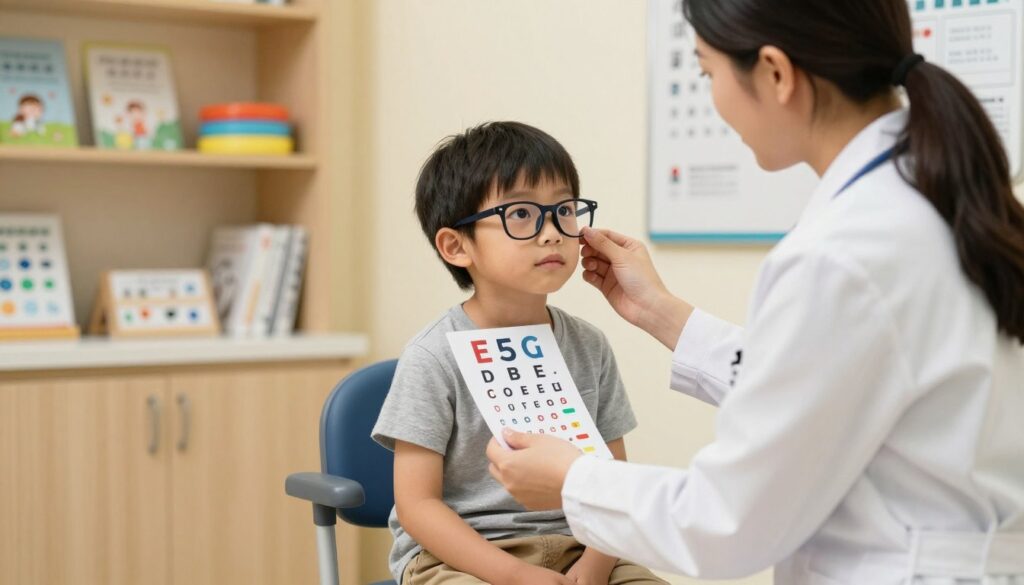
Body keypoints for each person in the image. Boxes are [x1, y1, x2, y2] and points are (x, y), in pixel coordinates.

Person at [486, 1, 1024, 584]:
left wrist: (573, 480)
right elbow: (829, 389)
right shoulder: (925, 199)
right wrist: (664, 315)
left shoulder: (842, 253)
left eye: (708, 73)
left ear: (775, 73)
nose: (714, 100)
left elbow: (726, 522)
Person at [371, 121, 668, 585]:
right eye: (522, 214)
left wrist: (591, 570)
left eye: (564, 210)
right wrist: (514, 576)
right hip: (462, 557)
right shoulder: (432, 357)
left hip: (580, 546)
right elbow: (417, 505)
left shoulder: (589, 346)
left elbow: (613, 484)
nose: (552, 232)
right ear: (456, 246)